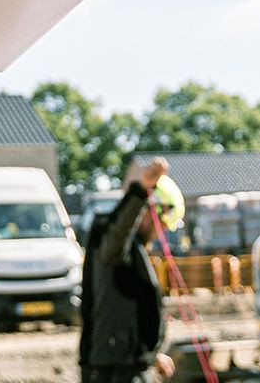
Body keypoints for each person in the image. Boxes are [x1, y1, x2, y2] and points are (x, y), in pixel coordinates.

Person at [79, 157, 180, 383]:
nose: (159, 234)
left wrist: (151, 355)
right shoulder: (111, 244)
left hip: (127, 366)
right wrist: (141, 192)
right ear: (151, 213)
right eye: (162, 226)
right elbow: (119, 233)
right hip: (112, 372)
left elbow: (130, 316)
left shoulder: (134, 254)